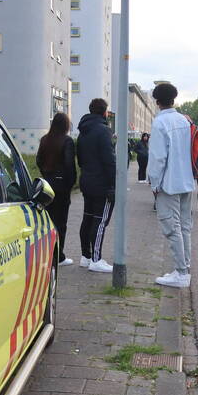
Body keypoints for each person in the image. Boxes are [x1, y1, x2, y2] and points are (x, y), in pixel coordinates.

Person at [147, 83, 195, 288]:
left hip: (168, 183)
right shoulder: (184, 120)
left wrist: (154, 182)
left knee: (171, 226)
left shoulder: (160, 123)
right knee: (184, 227)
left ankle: (181, 273)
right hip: (186, 180)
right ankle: (185, 268)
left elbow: (158, 157)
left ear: (157, 102)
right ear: (173, 99)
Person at [76, 98, 116, 273]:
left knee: (88, 219)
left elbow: (80, 158)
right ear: (104, 112)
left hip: (87, 181)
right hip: (102, 184)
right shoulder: (103, 131)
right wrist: (113, 185)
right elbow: (109, 160)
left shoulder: (82, 131)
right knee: (100, 221)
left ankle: (85, 256)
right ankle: (96, 259)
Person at [36, 112, 77, 266]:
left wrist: (46, 174)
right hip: (62, 188)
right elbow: (70, 165)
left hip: (47, 186)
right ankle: (59, 256)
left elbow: (39, 160)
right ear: (65, 126)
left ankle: (46, 253)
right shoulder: (67, 141)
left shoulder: (44, 140)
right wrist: (70, 183)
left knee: (48, 221)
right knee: (61, 223)